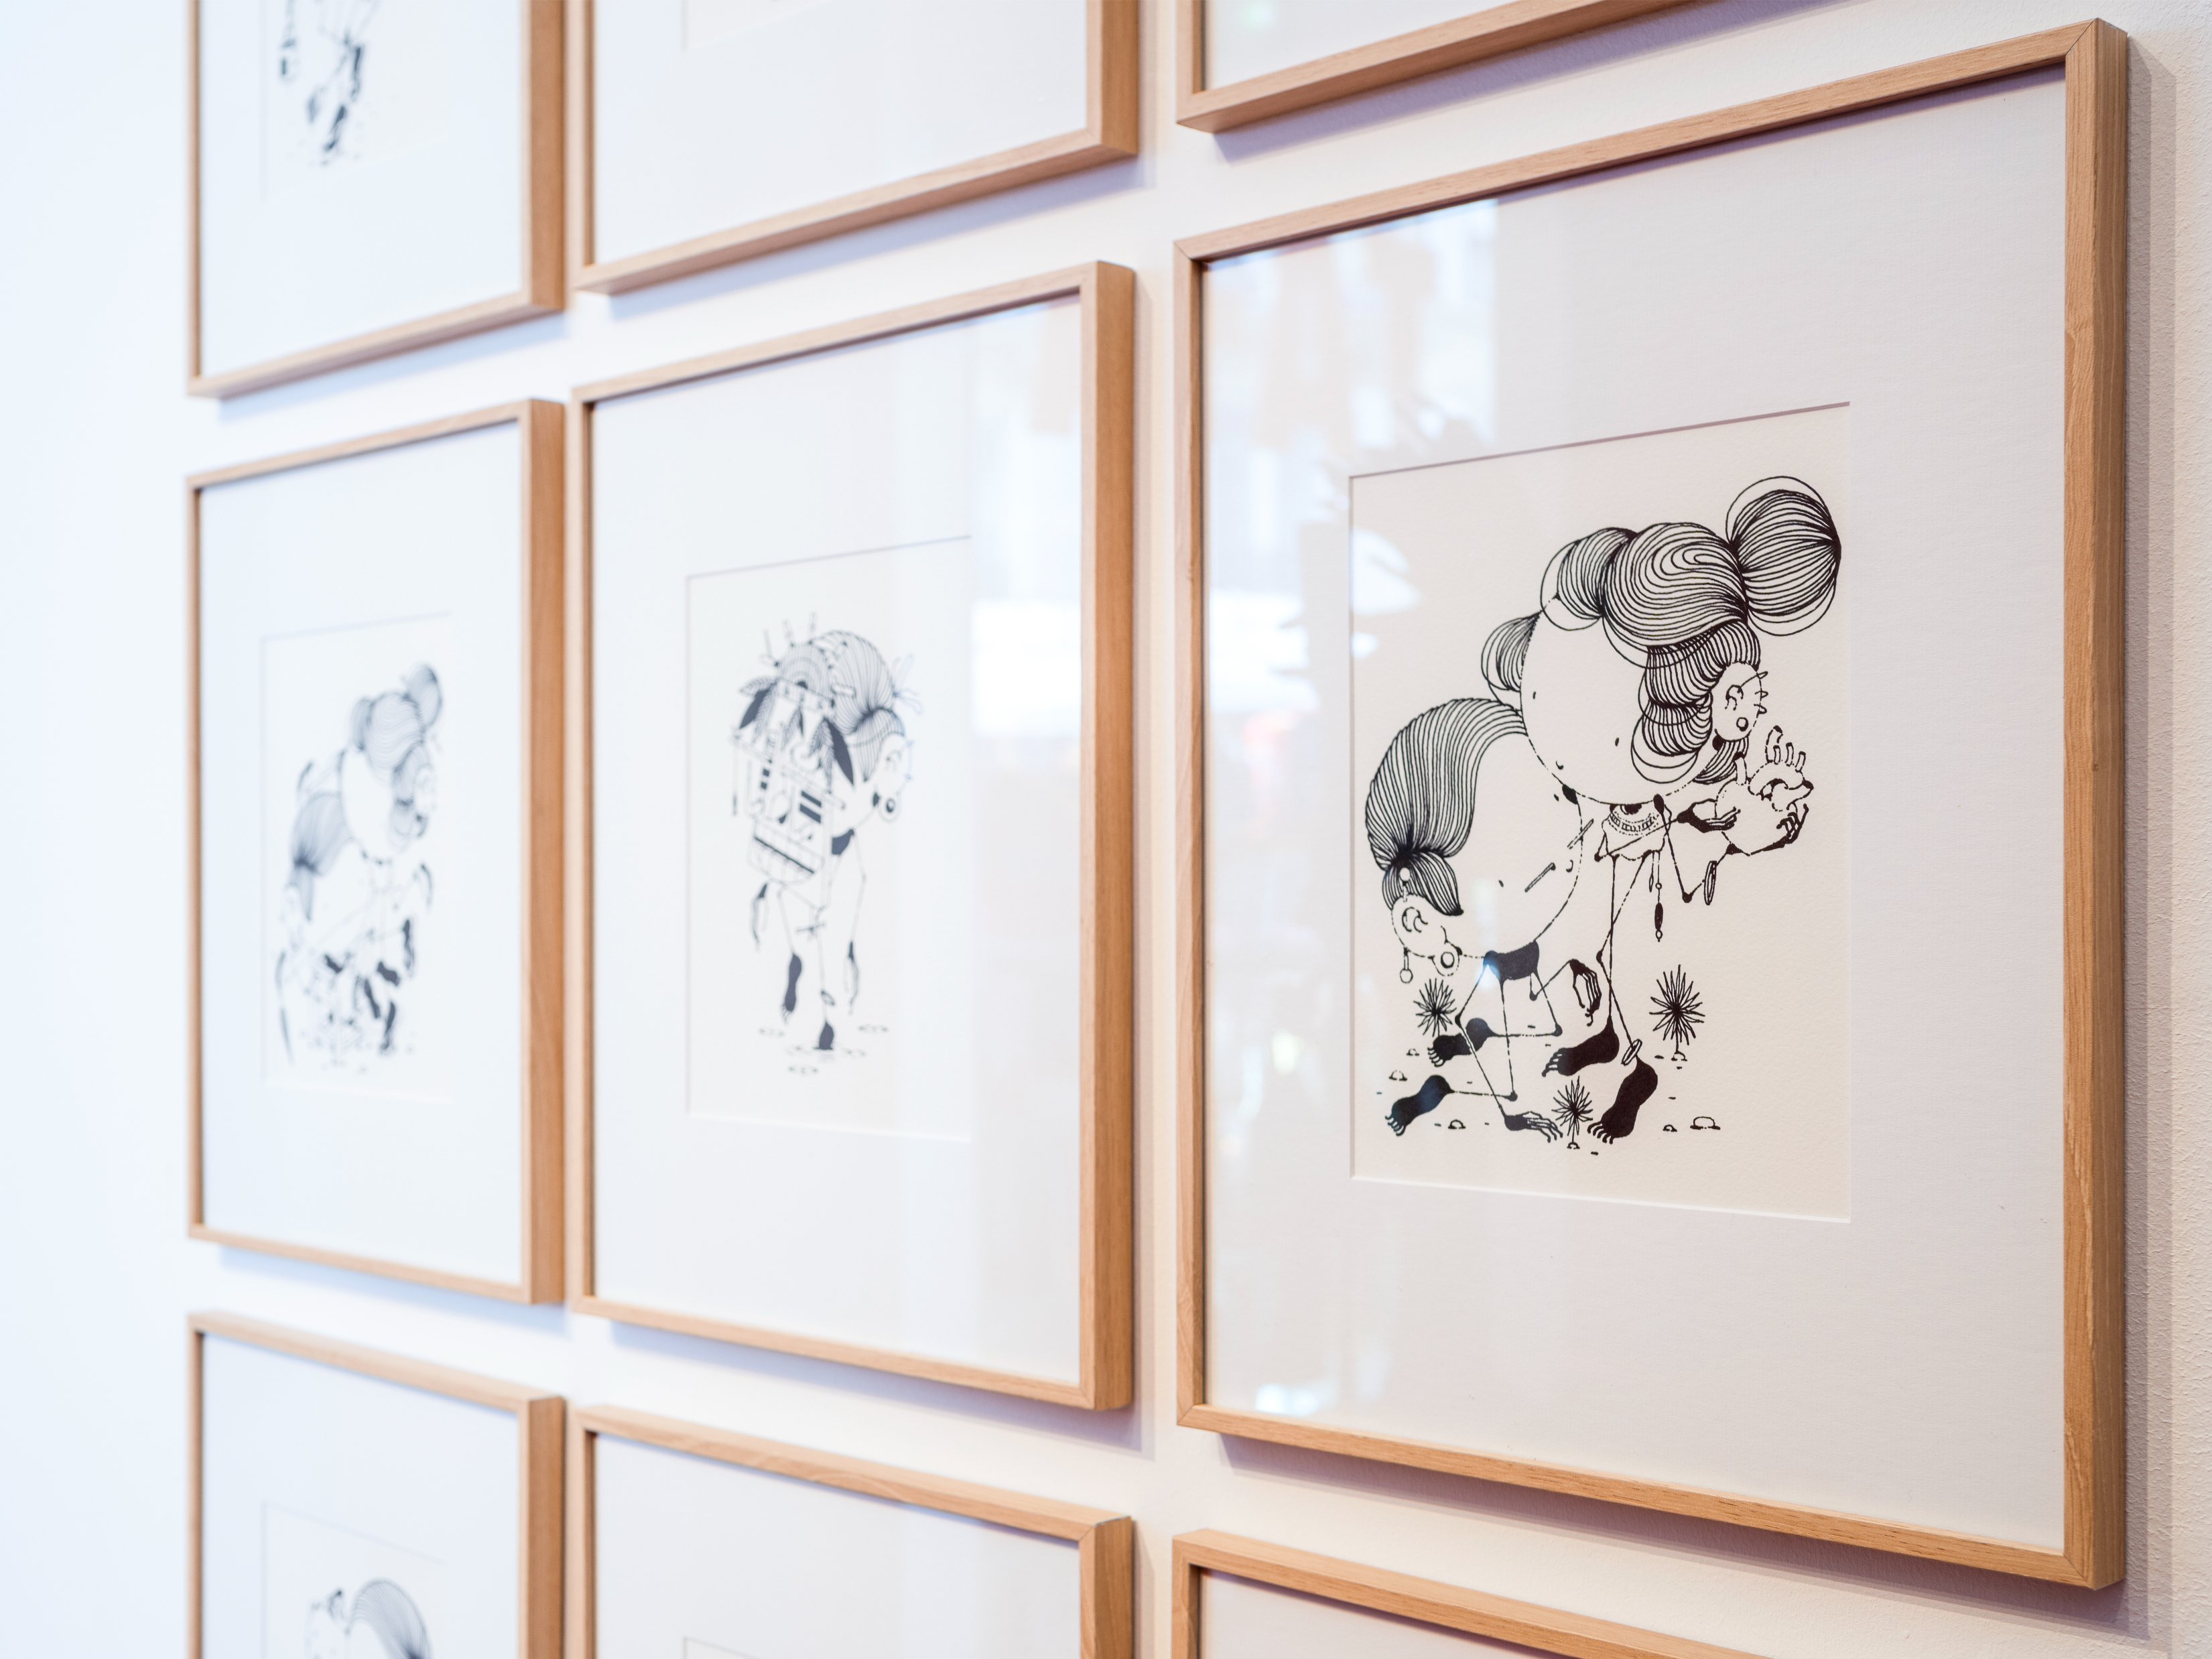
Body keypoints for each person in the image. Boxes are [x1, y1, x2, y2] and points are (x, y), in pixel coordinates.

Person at [732, 628, 910, 1054]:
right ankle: (817, 1003)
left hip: (831, 854)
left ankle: (827, 1011)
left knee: (830, 928)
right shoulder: (834, 754)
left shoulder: (859, 754)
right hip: (809, 852)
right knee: (810, 927)